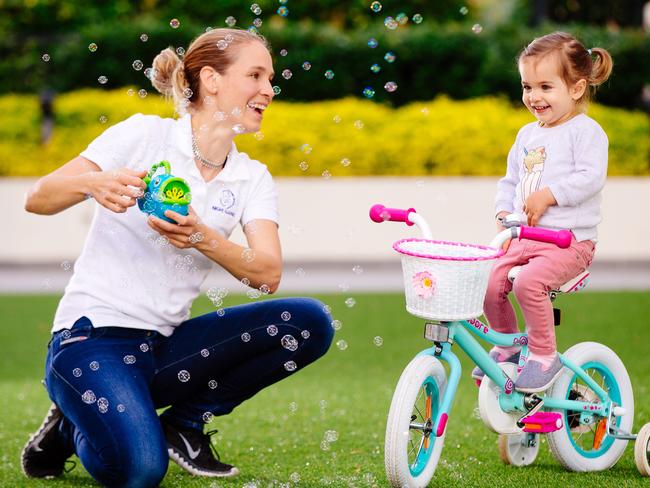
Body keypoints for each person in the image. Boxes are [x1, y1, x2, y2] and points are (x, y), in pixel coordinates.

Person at [21, 28, 334, 486]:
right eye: (255, 75)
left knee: (308, 322)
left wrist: (203, 237)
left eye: (270, 78)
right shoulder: (145, 136)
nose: (269, 89)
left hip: (165, 348)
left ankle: (184, 425)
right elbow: (38, 197)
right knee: (141, 470)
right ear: (210, 79)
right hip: (89, 340)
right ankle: (69, 423)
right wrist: (94, 183)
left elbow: (268, 273)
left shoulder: (252, 178)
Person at [471, 32, 613, 393]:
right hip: (523, 238)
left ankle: (543, 355)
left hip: (569, 243)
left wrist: (549, 196)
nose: (534, 97)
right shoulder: (527, 136)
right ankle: (507, 346)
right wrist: (504, 211)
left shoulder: (586, 133)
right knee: (489, 282)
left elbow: (590, 179)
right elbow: (510, 181)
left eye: (546, 87)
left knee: (529, 283)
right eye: (527, 86)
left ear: (577, 89)